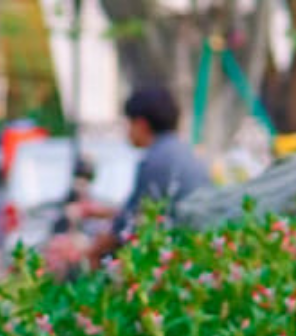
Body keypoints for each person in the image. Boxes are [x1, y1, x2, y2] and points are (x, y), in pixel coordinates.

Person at [71, 85, 212, 266]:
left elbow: (132, 223)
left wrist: (89, 252)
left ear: (141, 124)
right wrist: (103, 212)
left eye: (128, 124)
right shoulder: (183, 151)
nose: (127, 131)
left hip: (175, 252)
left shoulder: (156, 160)